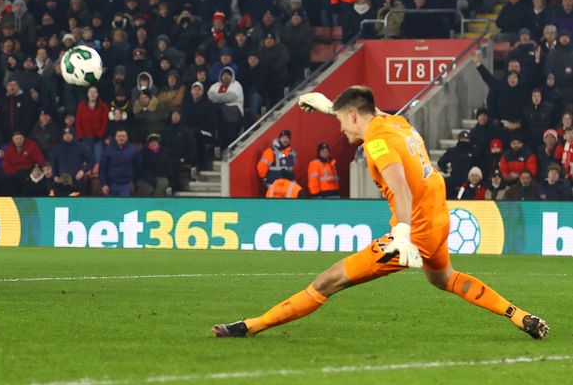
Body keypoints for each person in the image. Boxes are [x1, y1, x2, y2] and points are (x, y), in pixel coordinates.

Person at [213, 87, 548, 340]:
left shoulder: (377, 144)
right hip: (438, 218)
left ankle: (251, 326)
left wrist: (401, 236)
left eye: (342, 121)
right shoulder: (394, 122)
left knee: (328, 280)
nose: (341, 131)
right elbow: (363, 110)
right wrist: (330, 107)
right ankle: (516, 314)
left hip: (414, 231)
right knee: (443, 278)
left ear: (355, 116)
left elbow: (400, 187)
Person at [99, 129, 141, 197]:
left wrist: (133, 181)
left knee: (124, 207)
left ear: (127, 137)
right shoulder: (108, 149)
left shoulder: (133, 150)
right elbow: (102, 168)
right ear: (115, 137)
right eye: (119, 136)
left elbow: (138, 167)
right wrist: (104, 184)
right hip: (110, 184)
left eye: (123, 136)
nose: (121, 138)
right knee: (110, 206)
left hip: (126, 185)